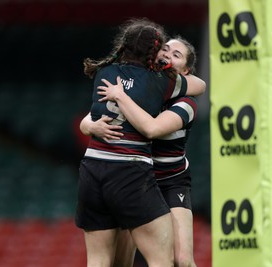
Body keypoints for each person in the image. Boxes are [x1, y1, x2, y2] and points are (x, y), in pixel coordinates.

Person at [75, 18, 206, 267]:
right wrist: (91, 125)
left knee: (182, 259)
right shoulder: (151, 82)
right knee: (122, 261)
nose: (167, 54)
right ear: (152, 53)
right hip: (134, 175)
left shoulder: (183, 102)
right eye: (164, 49)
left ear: (186, 69)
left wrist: (120, 96)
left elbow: (152, 128)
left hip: (168, 180)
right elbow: (89, 119)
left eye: (176, 54)